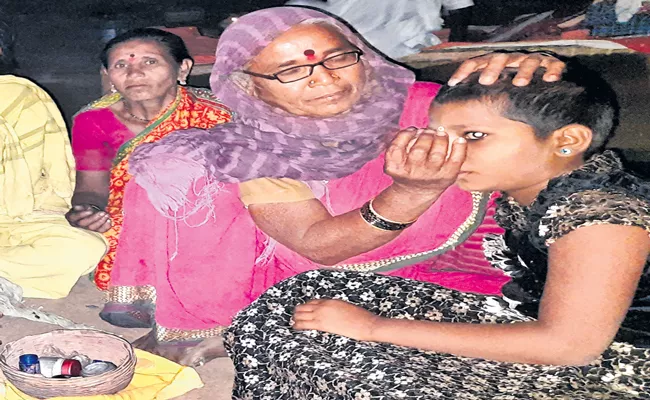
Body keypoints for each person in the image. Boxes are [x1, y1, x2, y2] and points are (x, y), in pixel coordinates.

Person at [113, 7, 566, 367]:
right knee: (191, 175)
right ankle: (217, 318)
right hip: (335, 258)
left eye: (337, 57)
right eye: (290, 71)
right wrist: (411, 192)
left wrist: (536, 73)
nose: (325, 78)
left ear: (362, 54)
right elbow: (319, 245)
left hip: (475, 258)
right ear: (247, 87)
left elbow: (552, 123)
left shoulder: (433, 104)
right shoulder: (259, 150)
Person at [225, 65, 650, 399]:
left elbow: (569, 346)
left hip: (617, 368)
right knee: (299, 300)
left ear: (567, 140)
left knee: (356, 370)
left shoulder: (602, 214)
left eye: (474, 136)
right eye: (442, 135)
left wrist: (375, 328)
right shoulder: (532, 187)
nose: (449, 150)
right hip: (534, 319)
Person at [65, 28, 233, 310]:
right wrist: (86, 212)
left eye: (149, 62)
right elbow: (90, 189)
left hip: (205, 209)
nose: (134, 73)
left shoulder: (218, 114)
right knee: (103, 244)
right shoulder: (94, 121)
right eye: (121, 65)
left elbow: (235, 181)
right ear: (108, 75)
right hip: (131, 213)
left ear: (183, 68)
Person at [0, 23, 107, 299]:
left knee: (86, 248)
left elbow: (53, 170)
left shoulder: (21, 95)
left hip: (18, 217)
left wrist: (63, 209)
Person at [285, 0, 475, 58]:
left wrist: (454, 45)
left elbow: (462, 7)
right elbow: (461, 8)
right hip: (353, 34)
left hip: (412, 38)